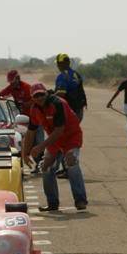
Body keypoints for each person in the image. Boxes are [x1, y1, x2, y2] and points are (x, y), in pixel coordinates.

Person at [23, 83, 87, 211]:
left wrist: (40, 147)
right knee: (46, 167)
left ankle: (80, 200)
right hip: (54, 140)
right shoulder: (35, 109)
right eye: (36, 96)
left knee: (71, 161)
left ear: (46, 93)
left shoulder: (58, 104)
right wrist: (25, 153)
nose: (40, 97)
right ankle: (52, 203)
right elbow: (31, 132)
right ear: (32, 98)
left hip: (70, 136)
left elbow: (59, 130)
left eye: (42, 94)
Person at [54, 53, 88, 121]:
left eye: (60, 63)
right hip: (79, 110)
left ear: (67, 63)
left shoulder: (62, 76)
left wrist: (49, 97)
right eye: (58, 63)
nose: (58, 65)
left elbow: (61, 94)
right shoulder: (76, 74)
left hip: (68, 111)